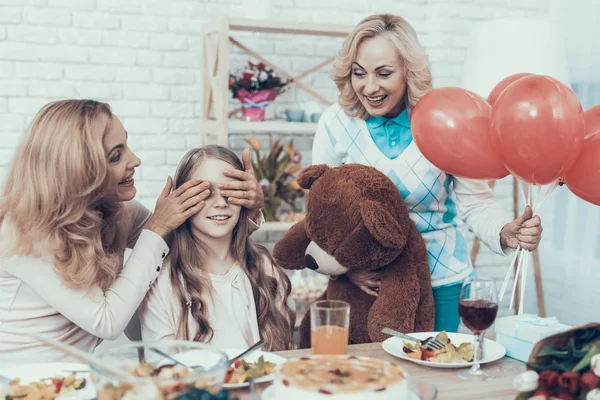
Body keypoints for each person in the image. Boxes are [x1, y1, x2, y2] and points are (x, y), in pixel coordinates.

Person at [312, 14, 543, 332]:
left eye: (384, 73)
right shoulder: (335, 122)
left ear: (408, 70)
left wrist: (505, 230)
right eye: (359, 73)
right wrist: (345, 268)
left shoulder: (445, 119)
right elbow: (324, 213)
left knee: (435, 373)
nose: (370, 87)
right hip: (369, 281)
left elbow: (475, 203)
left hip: (442, 279)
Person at [0, 100, 264, 364]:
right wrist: (158, 226)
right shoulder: (21, 232)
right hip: (19, 379)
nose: (135, 160)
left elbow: (180, 245)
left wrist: (246, 212)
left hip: (74, 375)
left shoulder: (115, 210)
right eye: (116, 156)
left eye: (126, 145)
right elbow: (107, 322)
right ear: (78, 170)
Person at [140, 146, 295, 351]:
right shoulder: (163, 283)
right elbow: (162, 371)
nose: (220, 203)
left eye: (230, 191)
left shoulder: (264, 267)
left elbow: (285, 358)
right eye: (205, 192)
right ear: (181, 200)